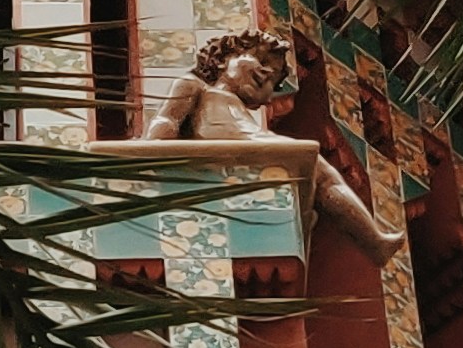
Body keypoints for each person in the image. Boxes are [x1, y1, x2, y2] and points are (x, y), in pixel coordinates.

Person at [146, 31, 399, 252]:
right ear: (222, 60)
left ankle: (371, 240)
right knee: (316, 165)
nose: (266, 73)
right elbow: (168, 119)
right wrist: (152, 150)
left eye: (274, 78)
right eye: (261, 60)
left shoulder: (243, 112)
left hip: (255, 151)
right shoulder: (195, 86)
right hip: (229, 153)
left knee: (322, 171)